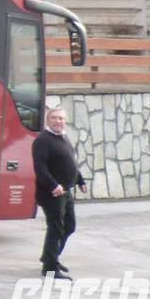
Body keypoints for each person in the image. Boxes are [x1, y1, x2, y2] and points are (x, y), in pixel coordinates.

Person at [32, 106, 87, 278]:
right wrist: (53, 186)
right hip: (52, 193)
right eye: (55, 118)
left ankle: (50, 256)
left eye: (61, 118)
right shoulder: (42, 140)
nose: (58, 121)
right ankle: (50, 268)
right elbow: (39, 168)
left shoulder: (63, 138)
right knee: (55, 228)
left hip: (66, 191)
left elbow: (70, 162)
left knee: (69, 226)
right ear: (48, 120)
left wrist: (80, 180)